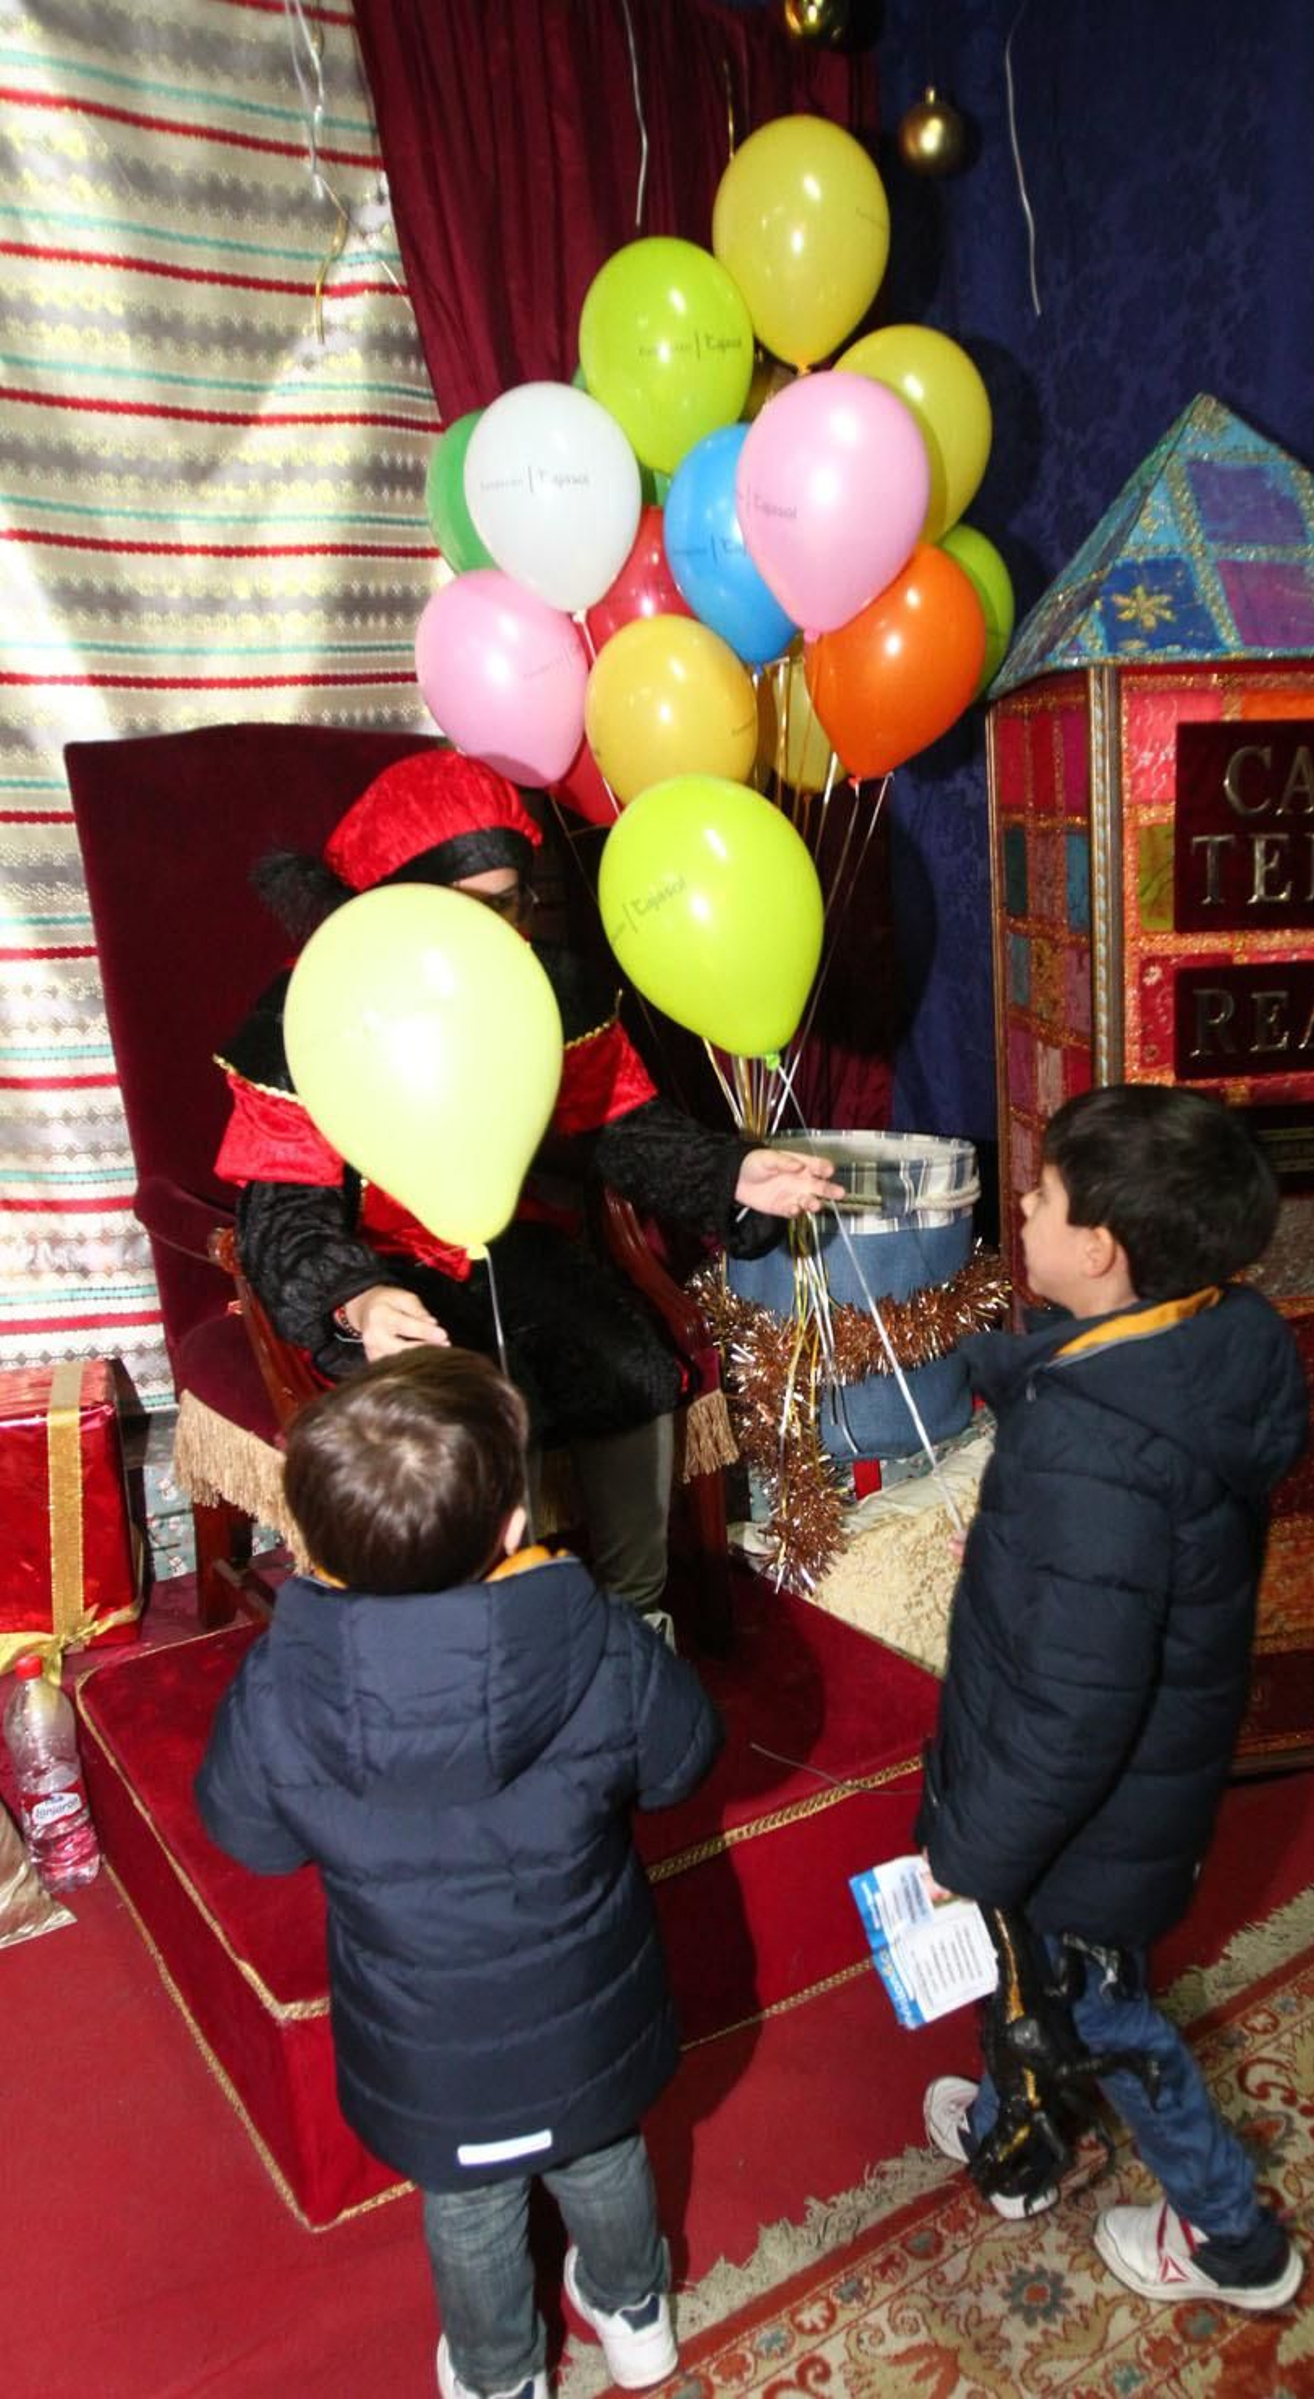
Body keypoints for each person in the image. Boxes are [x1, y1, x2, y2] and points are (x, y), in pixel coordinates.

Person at [214, 746, 841, 1630]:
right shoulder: (314, 1009)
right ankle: (492, 1642)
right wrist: (355, 1298)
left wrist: (735, 1170)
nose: (498, 933)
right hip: (382, 1276)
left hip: (506, 1242)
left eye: (511, 901)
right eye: (471, 909)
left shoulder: (546, 983)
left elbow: (625, 1127)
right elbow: (281, 1212)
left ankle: (632, 1623)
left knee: (626, 1364)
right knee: (464, 1423)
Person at [197, 1345, 720, 2399]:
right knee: (601, 2149)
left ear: (315, 1551)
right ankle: (634, 2312)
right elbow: (681, 1758)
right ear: (515, 1527)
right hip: (585, 2009)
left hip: (425, 2036)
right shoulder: (594, 1634)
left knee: (471, 2198)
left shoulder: (283, 1681)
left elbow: (249, 1836)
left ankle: (498, 2373)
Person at [917, 1083, 1310, 2310]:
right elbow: (1096, 1379)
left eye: (1034, 1196)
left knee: (1105, 2013)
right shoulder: (1214, 1334)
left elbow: (1068, 1704)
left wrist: (970, 1848)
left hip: (1087, 1813)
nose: (1018, 1209)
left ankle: (1231, 2237)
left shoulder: (1091, 1454)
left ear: (1097, 1249)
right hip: (1119, 1786)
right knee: (1032, 1969)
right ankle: (1016, 2136)